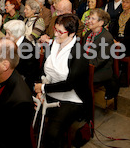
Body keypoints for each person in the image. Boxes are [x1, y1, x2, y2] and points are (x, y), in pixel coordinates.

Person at [34, 14, 92, 148]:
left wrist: (43, 89)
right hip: (51, 90)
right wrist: (41, 89)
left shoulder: (78, 53)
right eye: (55, 29)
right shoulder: (54, 44)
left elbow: (69, 85)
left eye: (60, 32)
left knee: (52, 133)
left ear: (72, 34)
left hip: (72, 98)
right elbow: (44, 70)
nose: (56, 34)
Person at [83, 9, 118, 99]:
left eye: (93, 19)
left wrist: (83, 67)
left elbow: (100, 61)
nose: (89, 21)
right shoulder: (88, 34)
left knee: (76, 78)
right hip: (88, 65)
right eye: (89, 18)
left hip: (100, 70)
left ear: (101, 22)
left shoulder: (106, 38)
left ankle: (85, 105)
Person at [4, 20, 39, 91]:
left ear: (18, 35)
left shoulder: (26, 48)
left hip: (24, 86)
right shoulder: (14, 44)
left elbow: (12, 67)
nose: (6, 36)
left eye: (9, 34)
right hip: (15, 79)